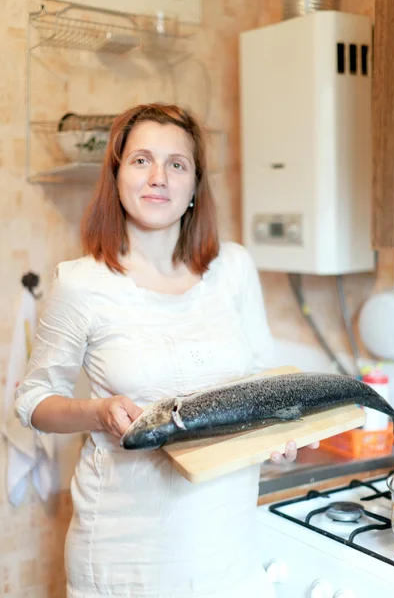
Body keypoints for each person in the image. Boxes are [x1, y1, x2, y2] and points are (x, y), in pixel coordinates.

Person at [15, 103, 317, 598]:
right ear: (115, 176)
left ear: (195, 185)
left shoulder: (234, 269)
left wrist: (280, 442)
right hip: (124, 555)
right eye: (141, 161)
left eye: (176, 164)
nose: (158, 177)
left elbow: (265, 382)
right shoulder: (81, 284)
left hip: (229, 549)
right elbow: (33, 402)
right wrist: (96, 412)